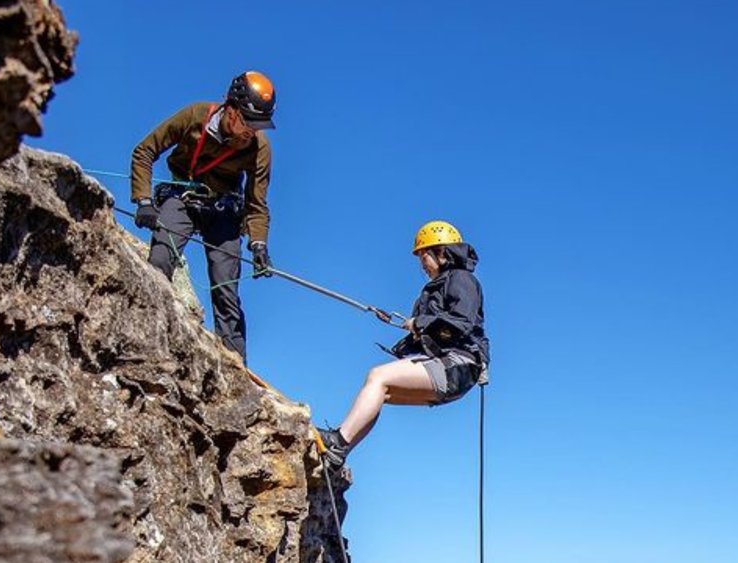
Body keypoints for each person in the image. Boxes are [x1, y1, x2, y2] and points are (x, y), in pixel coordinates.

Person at [129, 71, 277, 361]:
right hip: (182, 198)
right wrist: (143, 201)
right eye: (248, 121)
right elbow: (144, 151)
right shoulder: (195, 116)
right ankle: (145, 334)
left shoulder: (260, 148)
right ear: (231, 109)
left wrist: (259, 244)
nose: (252, 131)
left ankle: (235, 364)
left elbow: (257, 203)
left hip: (224, 210)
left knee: (226, 289)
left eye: (258, 125)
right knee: (160, 259)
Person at [318, 221, 490, 469]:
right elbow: (439, 331)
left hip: (458, 365)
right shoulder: (435, 289)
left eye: (424, 256)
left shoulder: (461, 279)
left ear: (441, 252)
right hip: (450, 366)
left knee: (378, 377)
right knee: (381, 391)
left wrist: (419, 323)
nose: (422, 264)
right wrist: (412, 338)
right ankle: (338, 454)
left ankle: (339, 441)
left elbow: (461, 322)